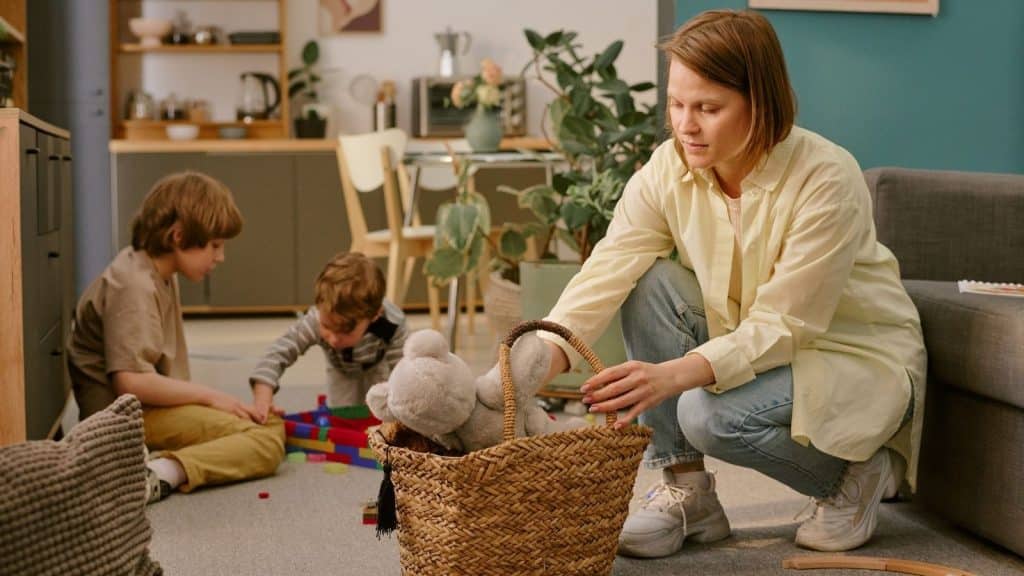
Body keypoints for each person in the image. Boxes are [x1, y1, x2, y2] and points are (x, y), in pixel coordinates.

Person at [537, 9, 926, 557]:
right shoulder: (669, 168)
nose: (685, 125)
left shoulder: (826, 177)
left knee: (708, 414)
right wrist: (534, 360)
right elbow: (609, 265)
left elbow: (785, 324)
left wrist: (669, 376)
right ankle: (688, 492)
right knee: (646, 278)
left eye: (708, 109)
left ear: (759, 102)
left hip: (854, 353)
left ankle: (853, 474)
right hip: (762, 342)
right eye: (675, 104)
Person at [67, 171, 285, 505]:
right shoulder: (134, 285)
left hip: (147, 409)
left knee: (264, 423)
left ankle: (156, 463)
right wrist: (213, 399)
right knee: (266, 442)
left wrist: (222, 408)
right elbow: (130, 382)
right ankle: (160, 472)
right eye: (214, 245)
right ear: (178, 236)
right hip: (124, 418)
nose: (220, 256)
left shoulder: (157, 272)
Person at [249, 252, 408, 413]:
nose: (333, 340)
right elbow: (278, 353)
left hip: (378, 366)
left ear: (375, 315)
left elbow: (403, 373)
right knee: (342, 414)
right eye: (327, 327)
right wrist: (263, 397)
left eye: (345, 332)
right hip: (341, 370)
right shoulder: (315, 321)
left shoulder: (392, 325)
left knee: (384, 409)